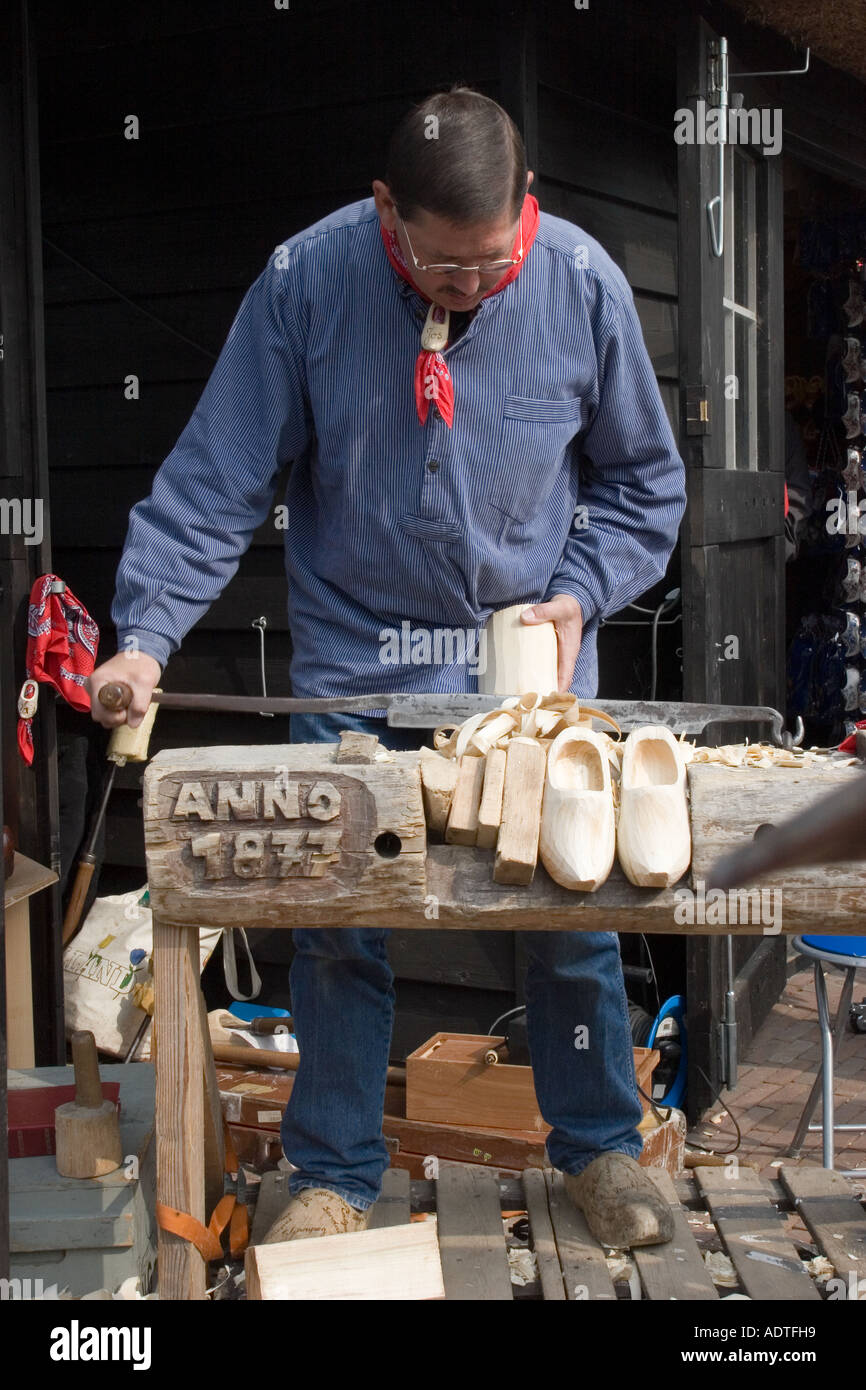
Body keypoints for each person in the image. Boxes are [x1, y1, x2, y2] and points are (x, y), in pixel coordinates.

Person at [88, 87, 686, 1251]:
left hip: (525, 671)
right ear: (384, 215)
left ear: (529, 207)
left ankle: (600, 1149)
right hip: (355, 664)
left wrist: (574, 594)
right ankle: (333, 1166)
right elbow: (215, 479)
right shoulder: (305, 284)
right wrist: (145, 634)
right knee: (336, 916)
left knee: (571, 909)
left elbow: (643, 486)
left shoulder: (578, 282)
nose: (467, 286)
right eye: (440, 266)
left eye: (489, 264)